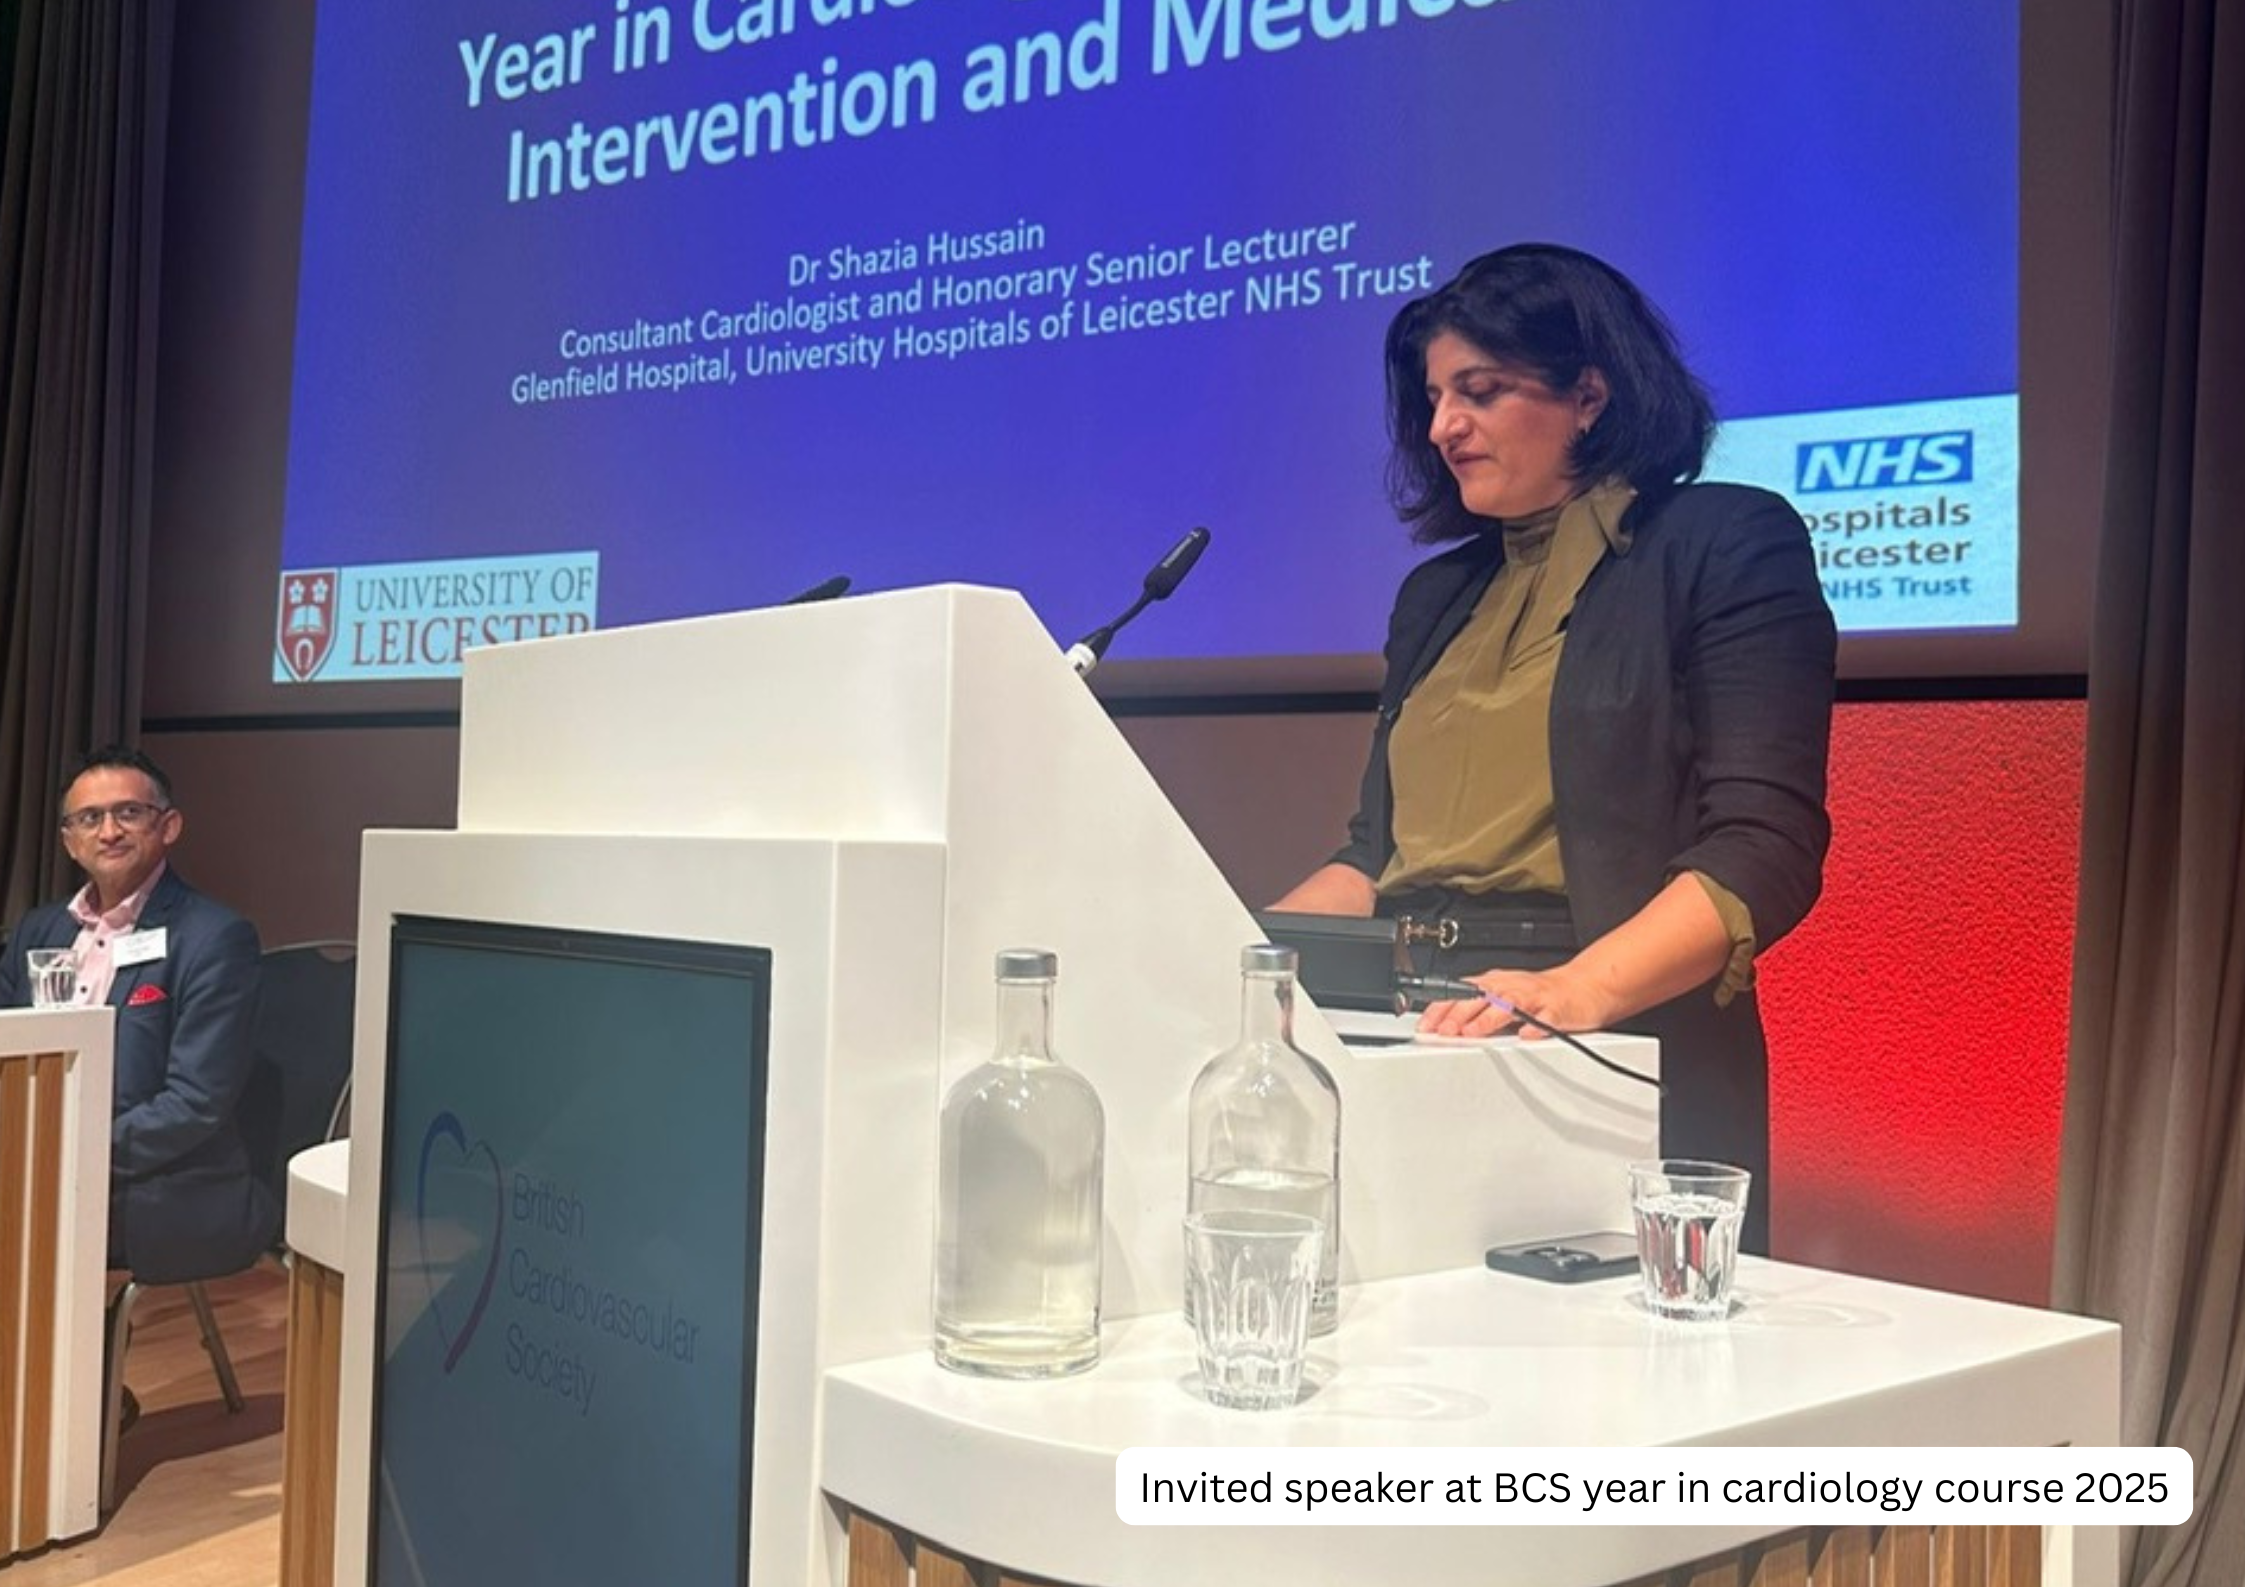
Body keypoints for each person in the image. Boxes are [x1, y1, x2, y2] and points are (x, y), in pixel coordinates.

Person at [1272, 244, 1836, 1252]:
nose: (1443, 425)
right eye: (1435, 397)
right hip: (1411, 1033)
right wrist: (1241, 953)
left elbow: (1761, 848)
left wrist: (1578, 991)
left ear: (1588, 393)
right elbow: (1374, 853)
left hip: (1611, 1033)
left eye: (1479, 391)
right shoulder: (1433, 596)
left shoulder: (1722, 540)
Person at [0, 746, 277, 1283]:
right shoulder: (38, 931)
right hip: (38, 1161)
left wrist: (66, 1156)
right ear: (69, 841)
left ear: (168, 826)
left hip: (154, 1182)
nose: (109, 831)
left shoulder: (214, 938)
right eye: (90, 818)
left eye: (129, 813)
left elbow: (195, 1103)